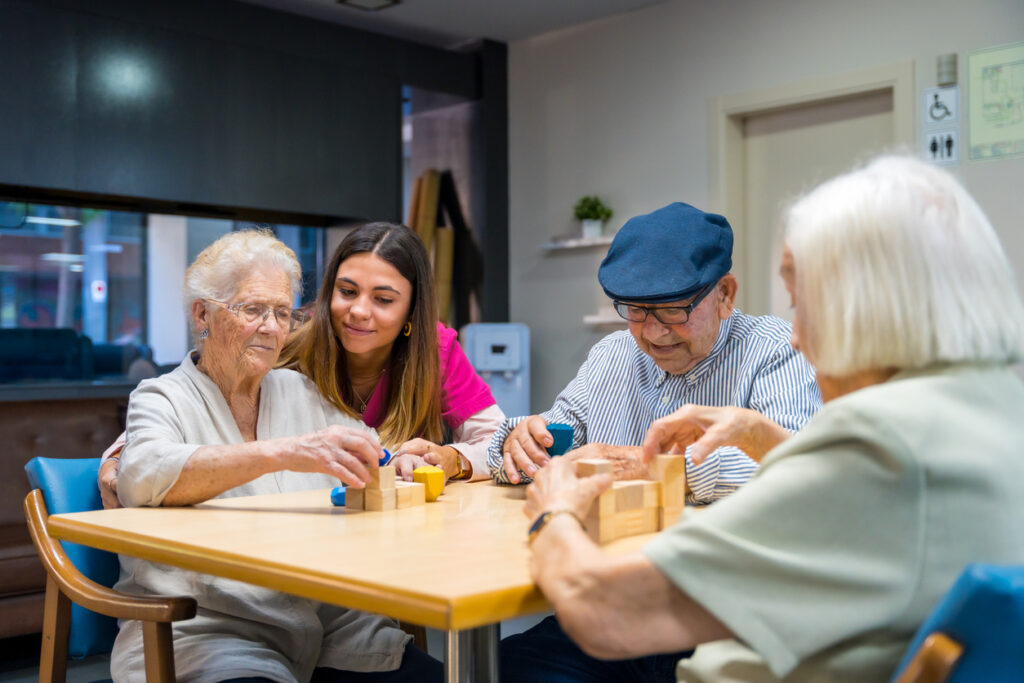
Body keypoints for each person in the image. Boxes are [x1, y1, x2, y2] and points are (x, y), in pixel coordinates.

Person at [515, 155, 1024, 682]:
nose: (798, 336)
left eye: (801, 302)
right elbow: (853, 507)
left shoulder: (881, 436)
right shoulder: (995, 403)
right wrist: (766, 437)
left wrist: (553, 512)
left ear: (866, 306)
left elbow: (606, 614)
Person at [112, 229, 442, 682]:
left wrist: (398, 461)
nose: (271, 328)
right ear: (202, 314)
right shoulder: (161, 397)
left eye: (282, 313)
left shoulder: (299, 390)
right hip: (205, 630)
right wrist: (286, 452)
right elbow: (144, 476)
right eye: (252, 309)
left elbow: (369, 450)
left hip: (325, 626)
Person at [99, 222, 502, 509]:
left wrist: (446, 460)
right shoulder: (291, 339)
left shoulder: (432, 350)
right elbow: (168, 418)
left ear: (411, 310)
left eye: (383, 299)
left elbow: (496, 443)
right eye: (346, 291)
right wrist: (119, 456)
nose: (359, 311)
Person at [488, 201, 821, 499]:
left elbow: (800, 466)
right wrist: (521, 444)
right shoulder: (611, 355)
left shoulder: (775, 350)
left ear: (725, 295)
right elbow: (548, 441)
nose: (653, 332)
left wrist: (652, 467)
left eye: (674, 310)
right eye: (635, 310)